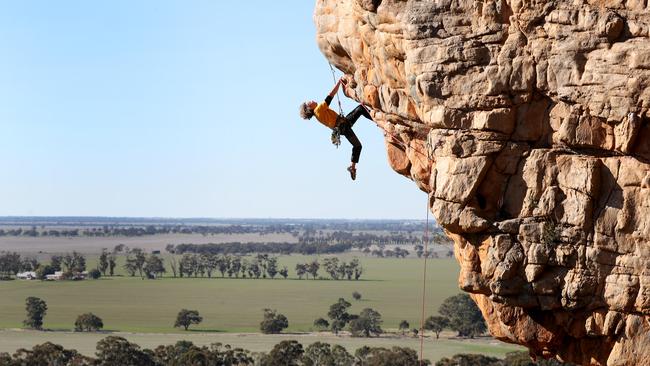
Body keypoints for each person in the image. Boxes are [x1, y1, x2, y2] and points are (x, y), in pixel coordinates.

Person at [299, 77, 373, 180]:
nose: (311, 100)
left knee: (357, 146)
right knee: (360, 109)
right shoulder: (318, 110)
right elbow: (330, 95)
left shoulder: (318, 115)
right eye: (309, 102)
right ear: (309, 108)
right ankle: (376, 119)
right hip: (343, 125)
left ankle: (352, 167)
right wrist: (339, 82)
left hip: (342, 125)